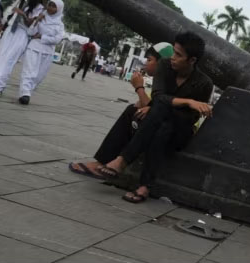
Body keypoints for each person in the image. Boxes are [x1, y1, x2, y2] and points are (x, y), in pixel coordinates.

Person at [96, 32, 214, 202]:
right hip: (162, 125)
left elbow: (189, 119)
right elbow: (158, 96)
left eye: (179, 55)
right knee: (160, 125)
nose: (173, 57)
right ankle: (144, 186)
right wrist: (187, 101)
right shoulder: (165, 66)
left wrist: (167, 108)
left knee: (162, 114)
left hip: (180, 132)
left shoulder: (204, 83)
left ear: (192, 60)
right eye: (173, 52)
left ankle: (123, 159)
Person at [68, 42, 174, 177]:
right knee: (134, 109)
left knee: (132, 112)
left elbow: (156, 112)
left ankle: (104, 161)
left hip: (165, 131)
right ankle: (108, 160)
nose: (145, 63)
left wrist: (139, 88)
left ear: (161, 64)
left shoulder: (166, 83)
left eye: (149, 60)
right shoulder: (161, 81)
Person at [0, 0, 46, 97]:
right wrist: (0, 30)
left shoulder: (39, 7)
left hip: (21, 34)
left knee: (9, 60)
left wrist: (23, 14)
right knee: (0, 57)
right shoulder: (21, 0)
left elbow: (31, 24)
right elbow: (10, 16)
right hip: (9, 31)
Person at [17, 0, 66, 105]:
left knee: (39, 76)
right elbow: (30, 32)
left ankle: (28, 91)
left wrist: (42, 36)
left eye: (54, 6)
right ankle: (24, 93)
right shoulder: (41, 17)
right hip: (34, 47)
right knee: (29, 71)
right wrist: (37, 20)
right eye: (49, 5)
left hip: (48, 52)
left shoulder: (60, 25)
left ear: (59, 9)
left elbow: (57, 40)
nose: (50, 8)